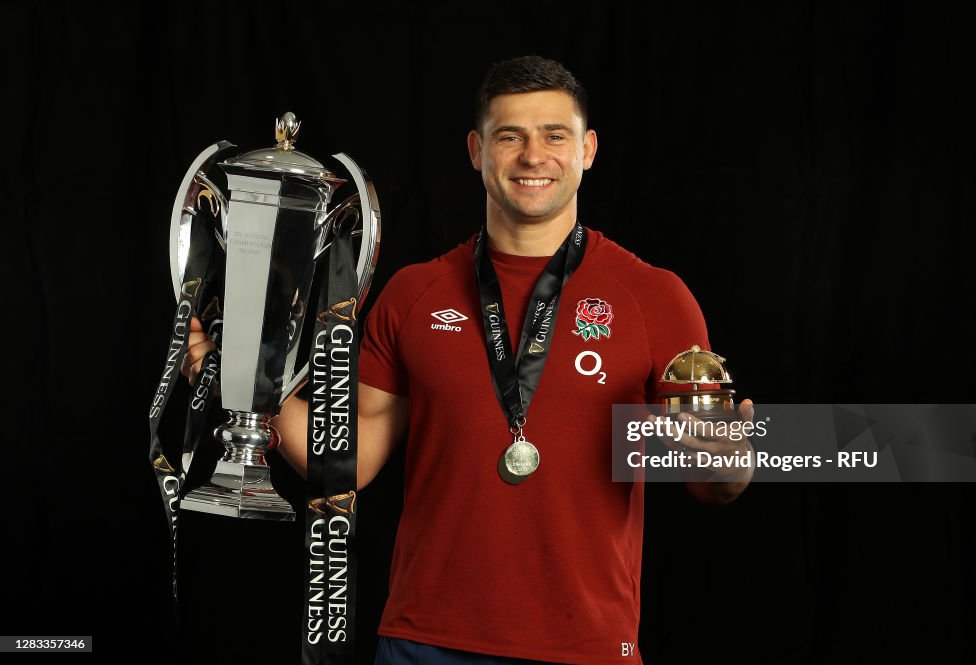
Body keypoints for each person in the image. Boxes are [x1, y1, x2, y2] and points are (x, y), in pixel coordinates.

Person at [184, 55, 754, 665]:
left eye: (554, 135)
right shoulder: (414, 292)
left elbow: (713, 484)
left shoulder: (653, 297)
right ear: (477, 150)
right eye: (510, 136)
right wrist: (246, 377)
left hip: (585, 643)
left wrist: (729, 458)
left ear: (587, 149)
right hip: (424, 639)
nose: (533, 157)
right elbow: (350, 461)